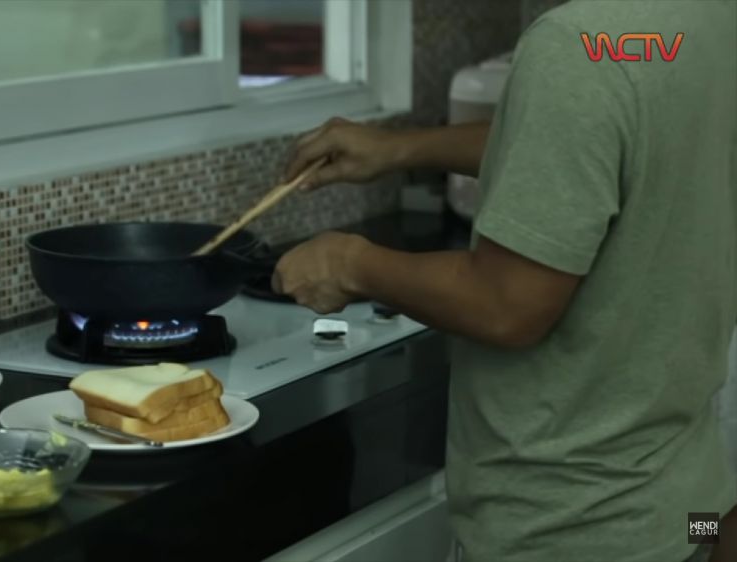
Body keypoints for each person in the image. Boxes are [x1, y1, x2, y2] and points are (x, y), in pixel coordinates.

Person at [273, 1, 737, 561]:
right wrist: (399, 148)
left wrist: (349, 264)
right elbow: (582, 136)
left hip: (568, 532)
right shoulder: (706, 17)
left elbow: (506, 304)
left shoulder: (577, 43)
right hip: (690, 511)